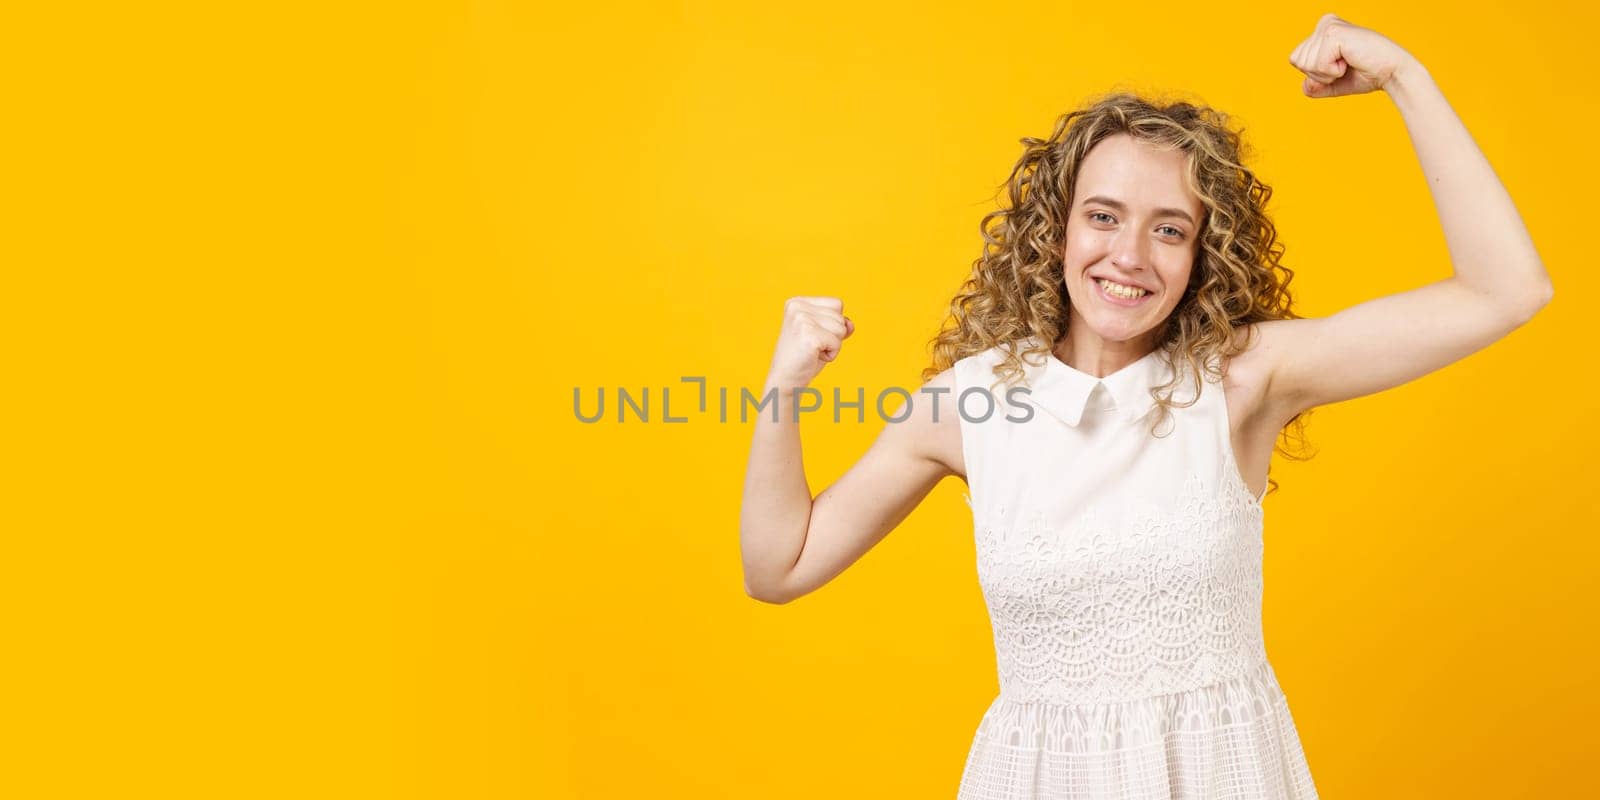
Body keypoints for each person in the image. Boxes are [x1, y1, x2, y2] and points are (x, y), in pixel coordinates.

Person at [739, 13, 1552, 799]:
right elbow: (780, 565)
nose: (1128, 256)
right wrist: (782, 390)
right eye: (1103, 217)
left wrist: (1406, 77)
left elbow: (1505, 291)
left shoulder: (1241, 380)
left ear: (1203, 254)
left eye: (1169, 230)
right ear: (1055, 232)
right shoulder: (969, 405)